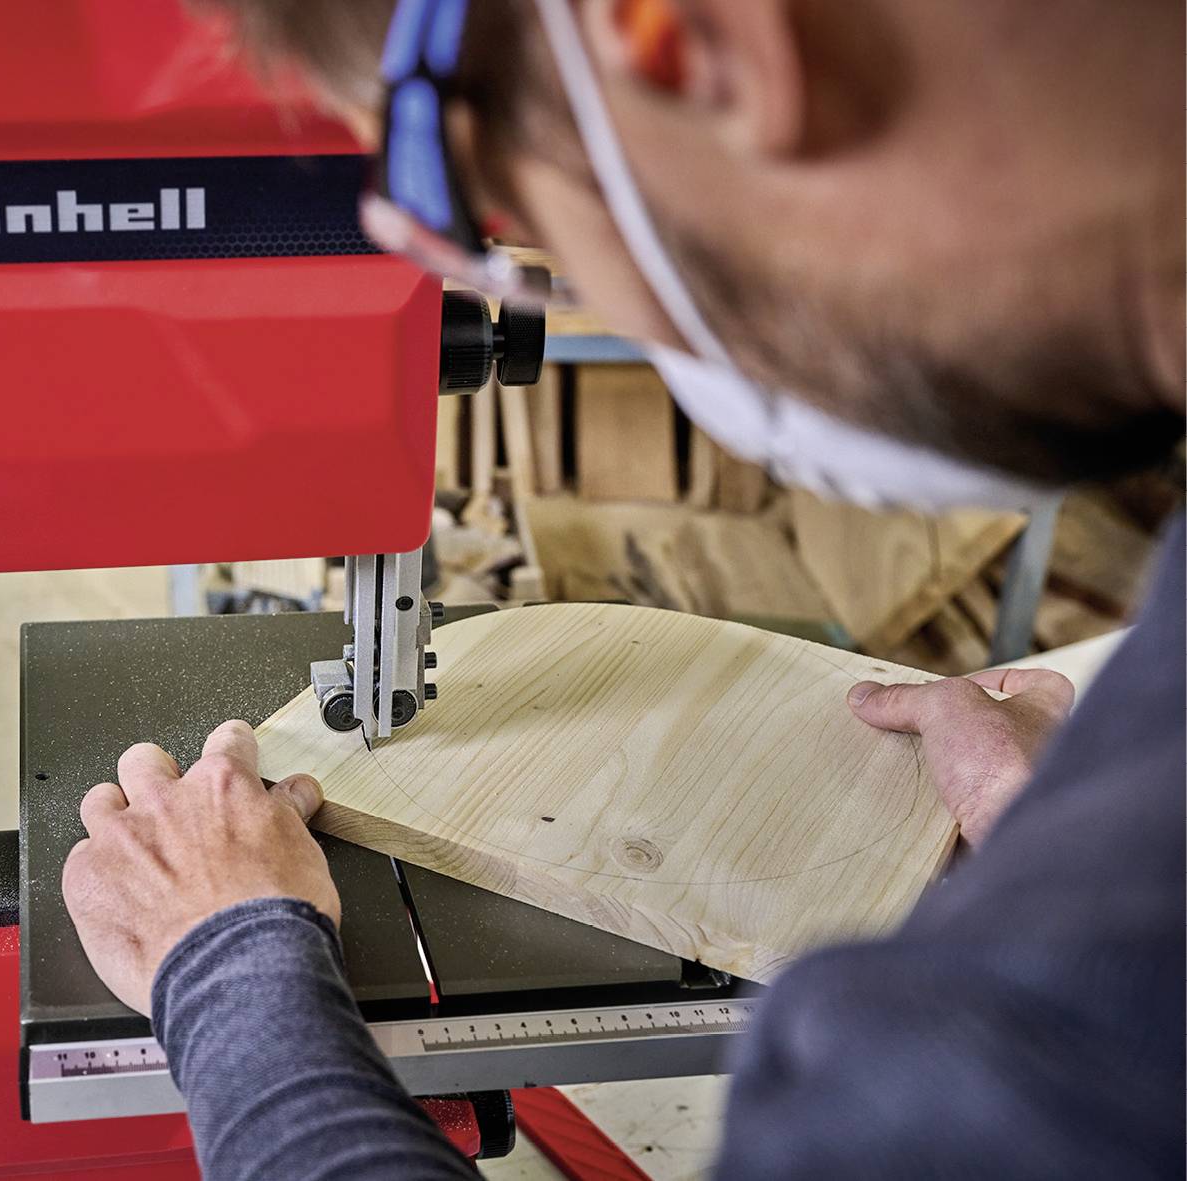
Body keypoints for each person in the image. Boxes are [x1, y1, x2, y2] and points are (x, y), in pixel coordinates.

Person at [60, 0, 1186, 1176]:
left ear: (682, 43)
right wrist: (1062, 841)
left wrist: (235, 980)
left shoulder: (1040, 1062)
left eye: (509, 226)